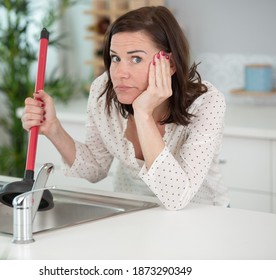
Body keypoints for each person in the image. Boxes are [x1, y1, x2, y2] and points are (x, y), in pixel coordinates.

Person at [21, 6, 229, 210]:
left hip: (202, 217)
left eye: (136, 59)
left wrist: (143, 114)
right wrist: (54, 129)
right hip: (134, 213)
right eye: (115, 58)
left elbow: (177, 198)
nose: (120, 73)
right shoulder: (103, 91)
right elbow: (95, 168)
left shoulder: (207, 103)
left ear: (170, 64)